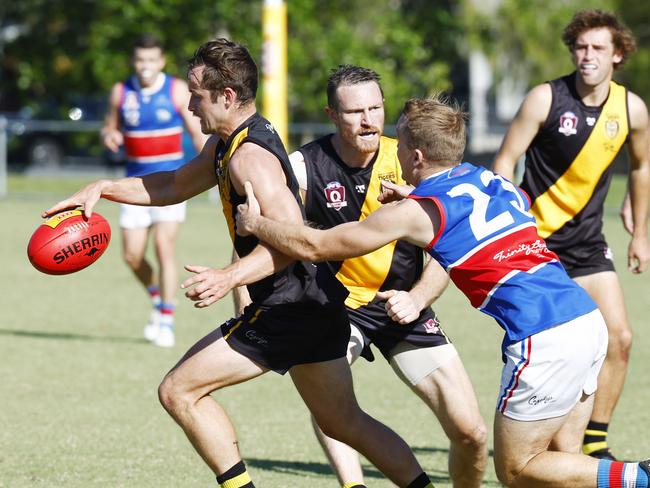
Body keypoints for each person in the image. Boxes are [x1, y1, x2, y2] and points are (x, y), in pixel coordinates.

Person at [44, 39, 437, 488]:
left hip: (290, 308)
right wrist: (103, 187)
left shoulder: (251, 159)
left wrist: (230, 275)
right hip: (315, 303)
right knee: (344, 423)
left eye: (197, 95)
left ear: (227, 96)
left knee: (179, 391)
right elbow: (173, 184)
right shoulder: (227, 143)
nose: (190, 105)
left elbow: (292, 242)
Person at [236, 95, 650, 488]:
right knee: (563, 457)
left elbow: (317, 245)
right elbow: (484, 212)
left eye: (399, 148)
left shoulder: (417, 211)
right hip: (585, 320)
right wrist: (418, 200)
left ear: (416, 156)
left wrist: (257, 225)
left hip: (544, 339)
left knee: (518, 468)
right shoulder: (488, 179)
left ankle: (641, 476)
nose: (392, 154)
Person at [271, 64, 488, 487]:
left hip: (401, 304)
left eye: (375, 108)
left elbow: (448, 247)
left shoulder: (411, 158)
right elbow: (275, 238)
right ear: (332, 114)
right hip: (335, 307)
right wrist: (248, 296)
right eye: (355, 112)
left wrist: (419, 297)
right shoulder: (303, 167)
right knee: (331, 408)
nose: (368, 120)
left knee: (472, 433)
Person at [492, 9, 650, 460]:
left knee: (619, 338)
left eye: (598, 48)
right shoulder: (545, 98)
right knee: (545, 346)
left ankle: (594, 443)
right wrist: (509, 217)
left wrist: (640, 232)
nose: (588, 56)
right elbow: (505, 161)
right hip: (535, 244)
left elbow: (641, 165)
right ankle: (537, 435)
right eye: (581, 47)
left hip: (587, 243)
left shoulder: (631, 109)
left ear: (617, 55)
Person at [101, 33, 207, 348]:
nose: (145, 66)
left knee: (164, 246)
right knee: (132, 255)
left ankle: (166, 318)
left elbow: (199, 132)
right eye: (139, 60)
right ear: (133, 62)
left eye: (151, 60)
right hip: (133, 185)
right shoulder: (121, 92)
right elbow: (110, 125)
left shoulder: (175, 90)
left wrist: (210, 168)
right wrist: (109, 135)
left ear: (160, 62)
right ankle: (159, 297)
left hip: (171, 183)